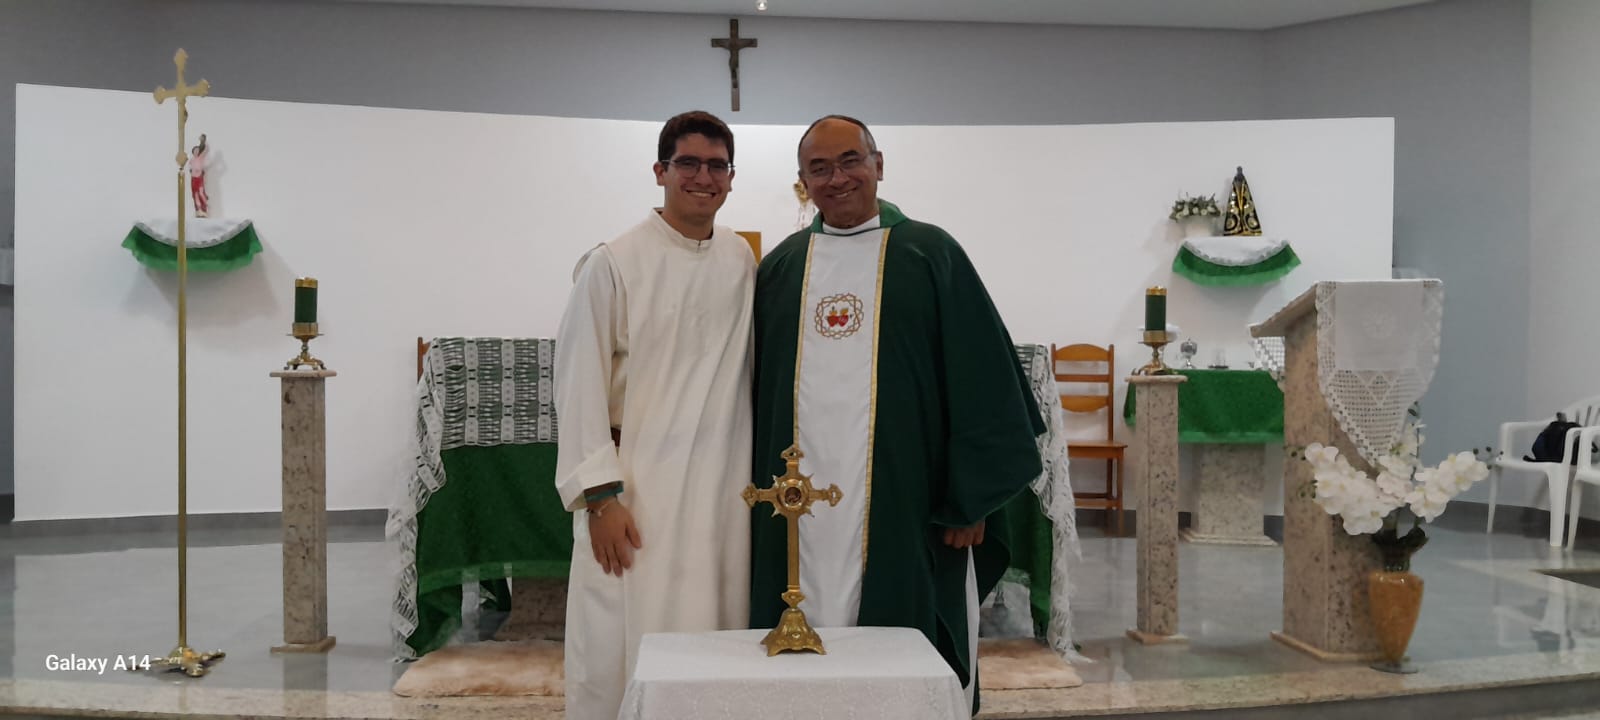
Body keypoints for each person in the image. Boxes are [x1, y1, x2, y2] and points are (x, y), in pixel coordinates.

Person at [748, 115, 1044, 715]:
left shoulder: (930, 254)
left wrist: (971, 501)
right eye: (819, 168)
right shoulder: (781, 269)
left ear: (878, 165)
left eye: (850, 161)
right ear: (803, 182)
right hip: (795, 512)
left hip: (908, 505)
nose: (837, 178)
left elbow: (981, 380)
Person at [553, 110, 754, 720]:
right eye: (687, 163)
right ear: (660, 171)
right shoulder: (613, 262)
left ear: (731, 177)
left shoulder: (741, 259)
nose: (703, 177)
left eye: (716, 166)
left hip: (719, 489)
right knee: (617, 643)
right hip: (635, 493)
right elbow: (577, 383)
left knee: (714, 633)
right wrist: (600, 499)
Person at [187, 134, 209, 218]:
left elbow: (205, 149)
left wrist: (202, 141)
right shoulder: (191, 160)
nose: (196, 152)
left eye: (198, 150)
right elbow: (190, 168)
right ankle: (198, 210)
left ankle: (204, 209)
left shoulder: (200, 158)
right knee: (195, 194)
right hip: (193, 179)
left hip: (199, 178)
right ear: (193, 152)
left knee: (201, 193)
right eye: (195, 150)